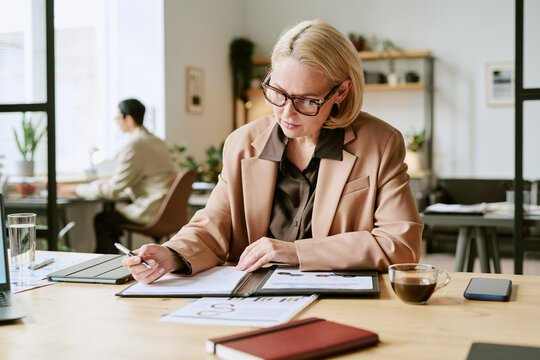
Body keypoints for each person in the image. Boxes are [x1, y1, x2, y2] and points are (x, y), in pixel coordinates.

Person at [123, 20, 423, 284]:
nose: (286, 114)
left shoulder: (381, 143)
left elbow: (401, 244)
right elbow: (214, 223)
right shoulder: (241, 144)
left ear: (341, 92)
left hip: (340, 302)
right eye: (277, 94)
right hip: (254, 302)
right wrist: (172, 254)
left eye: (306, 101)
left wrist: (295, 252)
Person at [59, 99, 177, 253]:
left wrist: (76, 189)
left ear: (129, 119)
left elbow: (113, 190)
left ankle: (108, 266)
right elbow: (146, 178)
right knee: (109, 217)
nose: (117, 123)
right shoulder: (158, 142)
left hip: (151, 210)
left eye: (118, 118)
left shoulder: (136, 144)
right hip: (168, 211)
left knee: (103, 220)